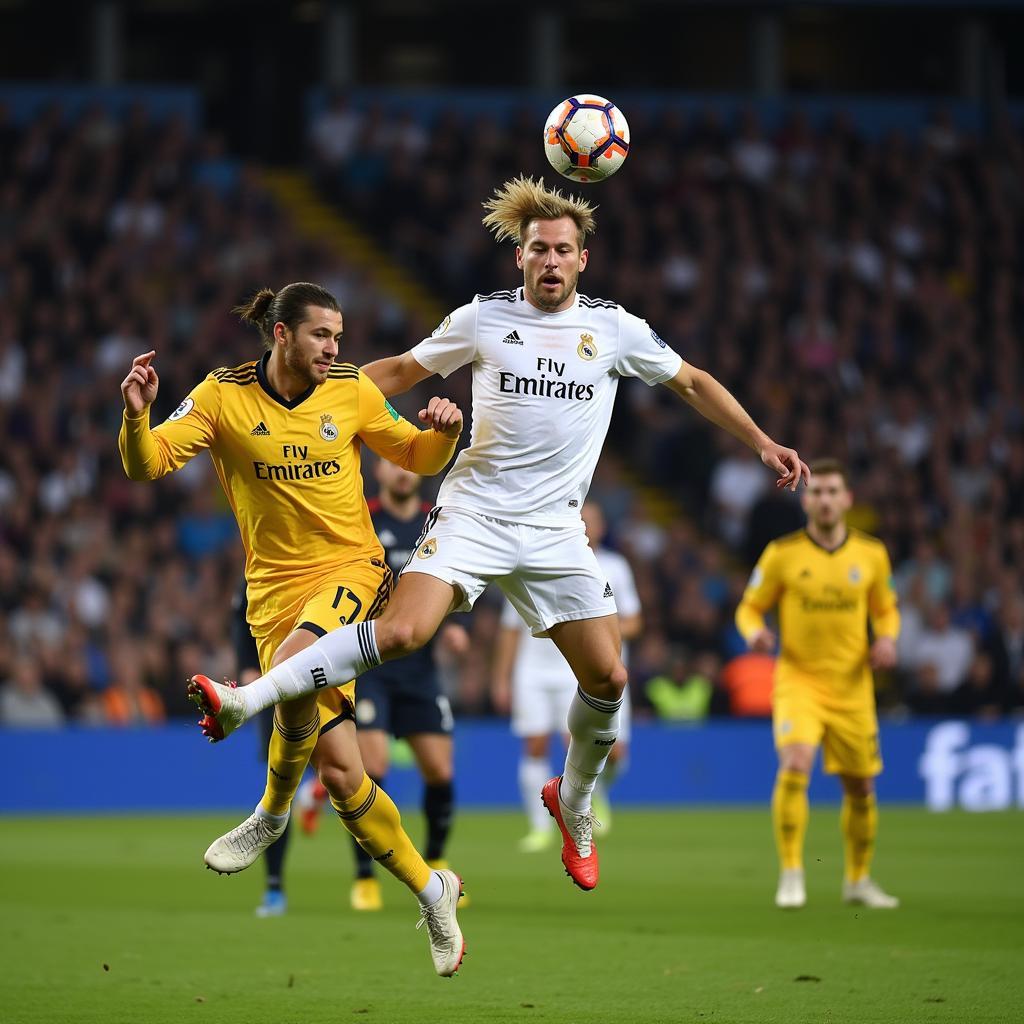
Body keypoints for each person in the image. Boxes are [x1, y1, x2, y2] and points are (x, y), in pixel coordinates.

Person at [191, 177, 808, 893]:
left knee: (609, 679)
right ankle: (251, 699)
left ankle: (571, 803)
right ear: (520, 257)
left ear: (583, 260)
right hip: (474, 515)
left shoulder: (614, 329)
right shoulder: (481, 318)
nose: (551, 261)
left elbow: (694, 382)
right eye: (539, 249)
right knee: (399, 632)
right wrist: (319, 401)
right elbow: (397, 371)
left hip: (555, 531)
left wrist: (761, 441)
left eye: (564, 251)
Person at [119, 281, 467, 976]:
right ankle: (433, 890)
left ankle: (269, 803)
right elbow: (146, 464)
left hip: (354, 572)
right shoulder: (222, 395)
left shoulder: (351, 390)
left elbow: (416, 459)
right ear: (281, 335)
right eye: (322, 336)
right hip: (272, 596)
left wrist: (443, 435)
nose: (336, 349)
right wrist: (137, 416)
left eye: (338, 336)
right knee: (342, 776)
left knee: (298, 661)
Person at [297, 459, 470, 912]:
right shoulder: (365, 521)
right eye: (393, 464)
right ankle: (364, 876)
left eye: (408, 465)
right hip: (371, 667)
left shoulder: (439, 522)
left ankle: (435, 861)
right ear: (378, 471)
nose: (402, 473)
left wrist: (450, 623)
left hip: (420, 668)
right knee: (371, 770)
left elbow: (457, 579)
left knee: (440, 771)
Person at [735, 458, 901, 911]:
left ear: (846, 499)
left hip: (852, 685)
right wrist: (754, 632)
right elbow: (749, 607)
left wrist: (887, 639)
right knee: (795, 763)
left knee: (861, 787)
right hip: (798, 680)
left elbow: (886, 609)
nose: (824, 500)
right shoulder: (782, 554)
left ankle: (858, 880)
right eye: (817, 492)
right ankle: (791, 872)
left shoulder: (870, 554)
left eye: (832, 492)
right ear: (806, 500)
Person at [491, 501, 641, 851]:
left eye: (594, 519)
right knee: (535, 744)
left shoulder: (614, 567)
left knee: (606, 751)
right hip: (534, 669)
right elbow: (510, 629)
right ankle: (539, 827)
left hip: (580, 669)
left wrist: (598, 635)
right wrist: (501, 677)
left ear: (602, 526)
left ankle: (594, 791)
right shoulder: (529, 558)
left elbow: (634, 620)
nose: (587, 524)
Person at [231, 579, 291, 917]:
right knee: (279, 785)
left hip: (324, 674)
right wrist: (247, 663)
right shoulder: (263, 560)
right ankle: (274, 887)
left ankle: (364, 877)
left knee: (341, 771)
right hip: (274, 680)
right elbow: (240, 615)